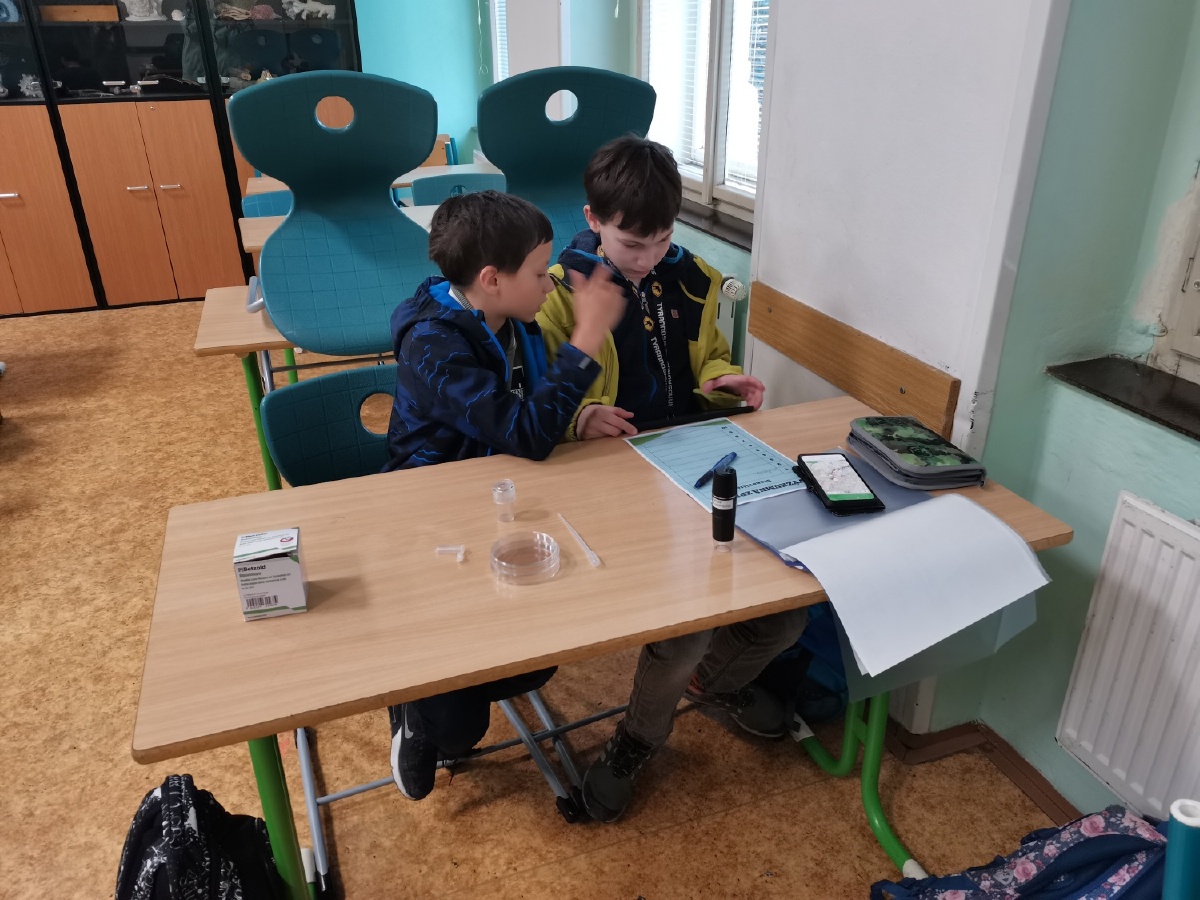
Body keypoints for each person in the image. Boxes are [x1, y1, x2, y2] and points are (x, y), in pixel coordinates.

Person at [537, 136, 809, 824]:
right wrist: (581, 416)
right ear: (593, 219)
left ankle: (708, 685)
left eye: (662, 239)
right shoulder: (558, 292)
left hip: (693, 460)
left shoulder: (692, 278)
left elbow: (707, 356)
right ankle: (640, 737)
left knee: (785, 615)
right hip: (607, 479)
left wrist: (722, 381)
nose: (649, 257)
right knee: (685, 628)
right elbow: (536, 399)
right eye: (633, 243)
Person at [383, 190, 624, 801]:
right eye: (540, 273)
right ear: (491, 279)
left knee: (536, 660)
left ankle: (452, 679)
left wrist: (578, 417)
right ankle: (414, 708)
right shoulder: (433, 344)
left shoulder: (510, 321)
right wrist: (588, 336)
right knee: (459, 730)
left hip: (497, 495)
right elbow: (524, 431)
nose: (550, 284)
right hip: (432, 514)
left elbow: (532, 412)